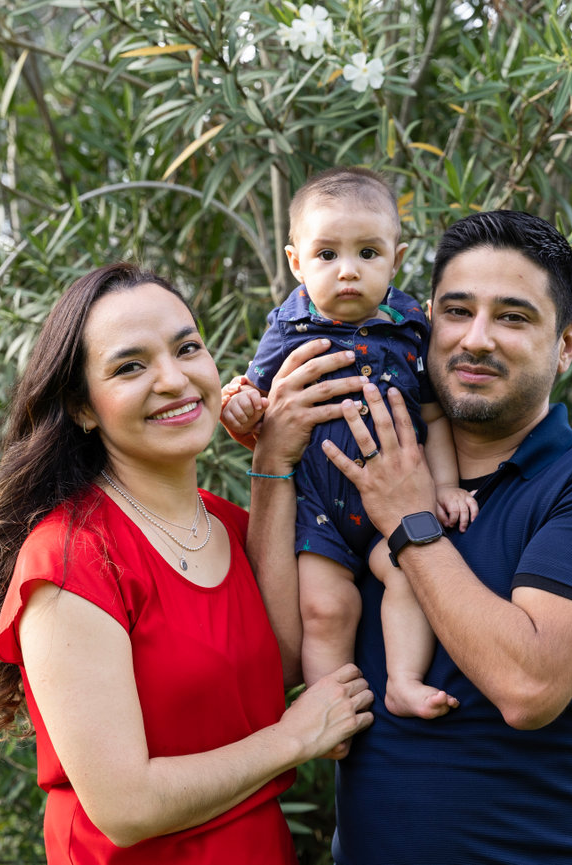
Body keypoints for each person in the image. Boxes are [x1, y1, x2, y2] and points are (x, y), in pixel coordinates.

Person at [250, 210, 572, 864]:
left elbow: (528, 686)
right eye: (456, 310)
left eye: (512, 316)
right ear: (423, 321)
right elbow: (275, 665)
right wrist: (273, 461)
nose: (475, 339)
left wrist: (411, 522)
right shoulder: (364, 470)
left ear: (566, 342)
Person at [0, 263, 374, 865]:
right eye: (130, 366)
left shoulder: (228, 525)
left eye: (187, 348)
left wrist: (276, 459)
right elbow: (127, 808)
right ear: (83, 408)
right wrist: (293, 738)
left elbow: (279, 664)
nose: (174, 380)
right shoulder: (72, 558)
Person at [221, 166, 475, 719]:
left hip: (396, 510)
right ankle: (325, 710)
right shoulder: (288, 328)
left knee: (413, 573)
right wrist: (237, 404)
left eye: (367, 253)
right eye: (327, 255)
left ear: (396, 258)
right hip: (319, 514)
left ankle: (402, 682)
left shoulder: (412, 327)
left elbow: (433, 412)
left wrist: (448, 487)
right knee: (324, 607)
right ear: (296, 262)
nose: (349, 272)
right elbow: (257, 410)